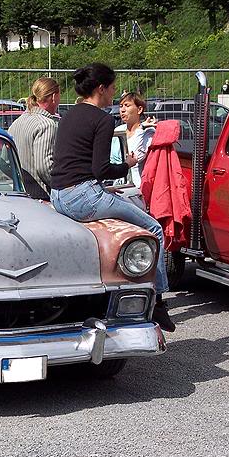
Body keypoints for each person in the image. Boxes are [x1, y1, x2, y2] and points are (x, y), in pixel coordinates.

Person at [49, 63, 176, 332]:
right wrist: (128, 164)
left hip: (58, 194)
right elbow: (101, 169)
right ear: (101, 88)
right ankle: (160, 300)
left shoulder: (69, 115)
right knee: (153, 228)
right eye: (113, 88)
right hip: (83, 196)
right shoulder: (102, 120)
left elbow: (78, 165)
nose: (115, 95)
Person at [7, 77, 60, 200]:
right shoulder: (47, 124)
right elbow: (45, 167)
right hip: (42, 195)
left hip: (21, 194)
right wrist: (63, 188)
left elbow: (4, 164)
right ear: (53, 97)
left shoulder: (16, 123)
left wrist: (20, 180)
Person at [118, 92, 157, 187]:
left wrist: (141, 129)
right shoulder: (118, 130)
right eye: (121, 106)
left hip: (137, 186)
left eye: (127, 106)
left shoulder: (148, 132)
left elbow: (136, 157)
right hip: (118, 184)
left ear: (139, 109)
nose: (122, 110)